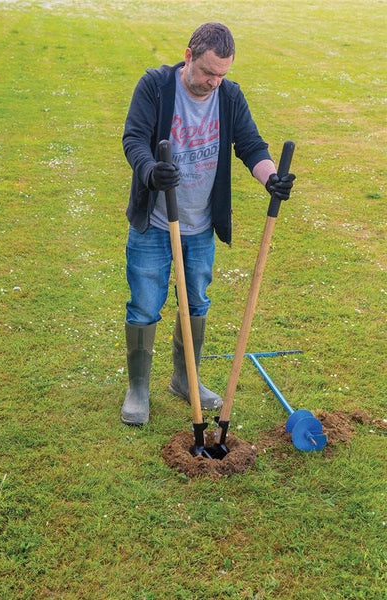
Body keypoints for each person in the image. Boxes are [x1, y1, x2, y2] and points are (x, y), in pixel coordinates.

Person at [121, 22, 295, 425]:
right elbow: (133, 138)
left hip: (199, 225)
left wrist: (271, 177)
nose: (214, 82)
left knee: (197, 302)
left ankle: (186, 380)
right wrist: (150, 172)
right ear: (188, 56)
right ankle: (138, 388)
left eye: (222, 74)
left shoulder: (229, 96)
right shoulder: (156, 87)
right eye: (207, 73)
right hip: (155, 222)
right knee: (145, 304)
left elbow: (250, 145)